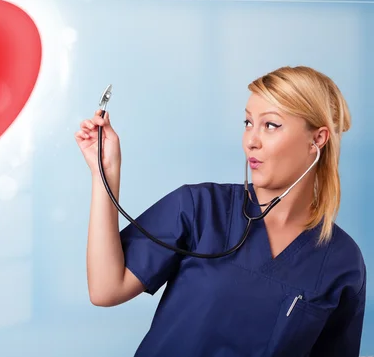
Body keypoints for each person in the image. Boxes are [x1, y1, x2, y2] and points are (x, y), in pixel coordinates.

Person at [75, 66, 367, 356]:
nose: (251, 140)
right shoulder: (200, 208)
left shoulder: (342, 262)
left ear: (317, 139)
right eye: (248, 122)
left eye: (271, 125)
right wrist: (105, 173)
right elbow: (105, 289)